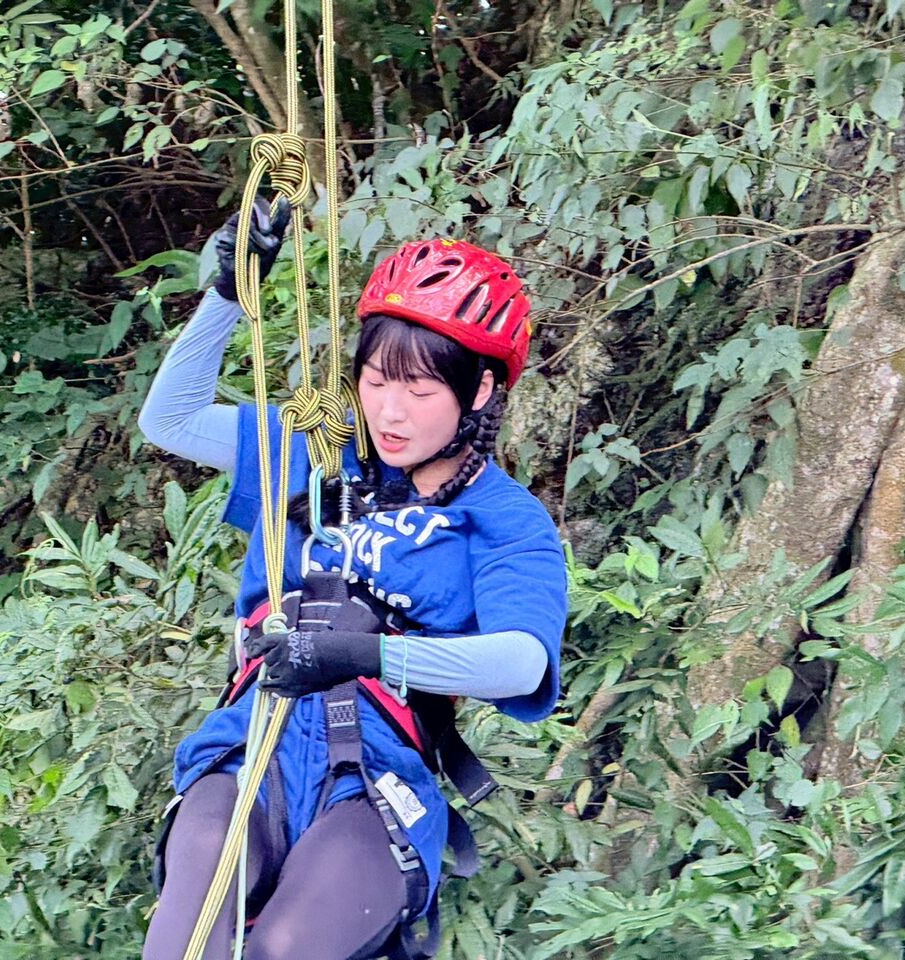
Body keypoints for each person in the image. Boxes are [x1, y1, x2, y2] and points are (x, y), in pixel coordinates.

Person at [137, 200, 568, 960]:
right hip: (253, 740)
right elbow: (168, 420)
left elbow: (521, 663)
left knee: (285, 950)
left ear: (479, 392)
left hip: (377, 770)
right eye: (375, 382)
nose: (390, 412)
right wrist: (228, 296)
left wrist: (368, 656)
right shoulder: (312, 450)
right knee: (190, 924)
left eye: (421, 392)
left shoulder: (503, 519)